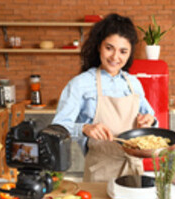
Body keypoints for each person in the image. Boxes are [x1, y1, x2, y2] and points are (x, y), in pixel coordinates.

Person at [49, 13, 157, 183]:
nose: (115, 57)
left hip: (134, 169)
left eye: (123, 51)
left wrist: (149, 120)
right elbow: (57, 128)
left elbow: (151, 119)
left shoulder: (134, 84)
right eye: (109, 48)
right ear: (99, 46)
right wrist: (84, 128)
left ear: (130, 53)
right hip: (100, 170)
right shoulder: (80, 84)